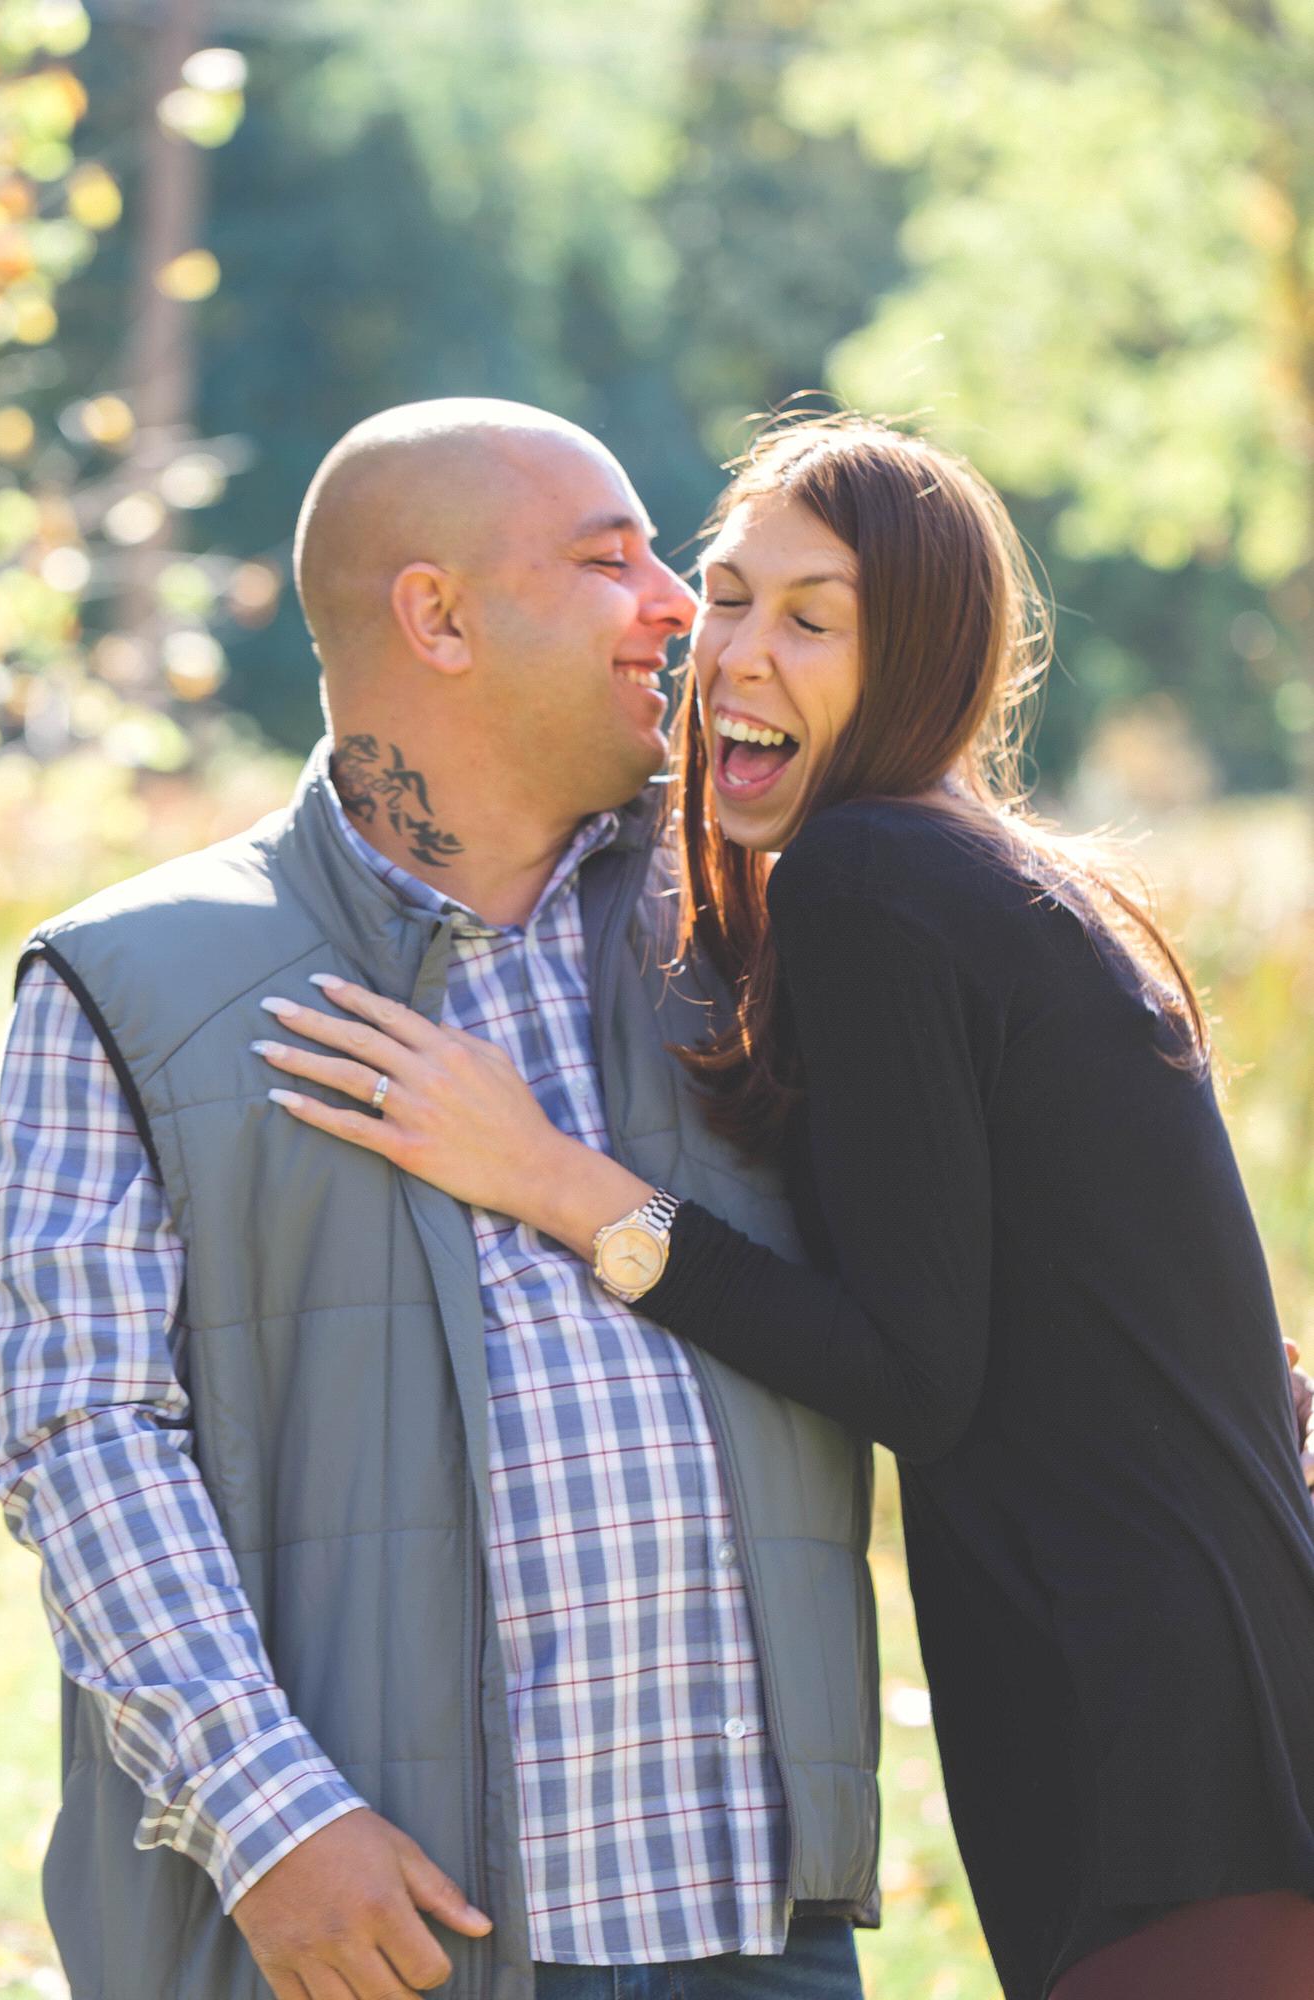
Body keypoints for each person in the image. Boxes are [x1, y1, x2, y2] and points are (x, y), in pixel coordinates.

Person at [255, 416, 1314, 2000]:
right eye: (731, 595)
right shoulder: (981, 873)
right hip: (1212, 1677)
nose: (735, 653)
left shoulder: (867, 880)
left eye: (812, 621)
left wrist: (550, 1178)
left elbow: (911, 1374)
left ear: (917, 663)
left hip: (1146, 1722)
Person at [0, 401, 882, 2000]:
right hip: (391, 1933)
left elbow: (934, 1302)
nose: (677, 605)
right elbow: (80, 1436)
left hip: (757, 1921)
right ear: (437, 616)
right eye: (609, 561)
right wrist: (271, 1821)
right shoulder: (129, 986)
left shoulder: (757, 932)